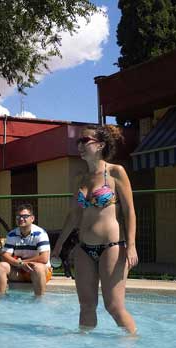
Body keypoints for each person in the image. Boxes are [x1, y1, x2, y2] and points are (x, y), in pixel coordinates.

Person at [52, 125, 137, 334]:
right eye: (78, 142)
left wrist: (132, 245)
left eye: (85, 141)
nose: (79, 145)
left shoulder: (116, 172)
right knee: (86, 307)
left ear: (100, 145)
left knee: (114, 307)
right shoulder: (80, 179)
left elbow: (130, 211)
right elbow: (74, 215)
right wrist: (59, 246)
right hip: (84, 249)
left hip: (112, 247)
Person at [0, 204, 52, 296]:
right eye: (18, 216)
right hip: (20, 272)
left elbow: (44, 258)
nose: (21, 219)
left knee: (38, 267)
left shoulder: (41, 233)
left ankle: (39, 302)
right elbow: (5, 256)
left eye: (25, 216)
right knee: (1, 266)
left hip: (38, 273)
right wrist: (20, 264)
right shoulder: (12, 234)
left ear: (32, 218)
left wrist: (23, 262)